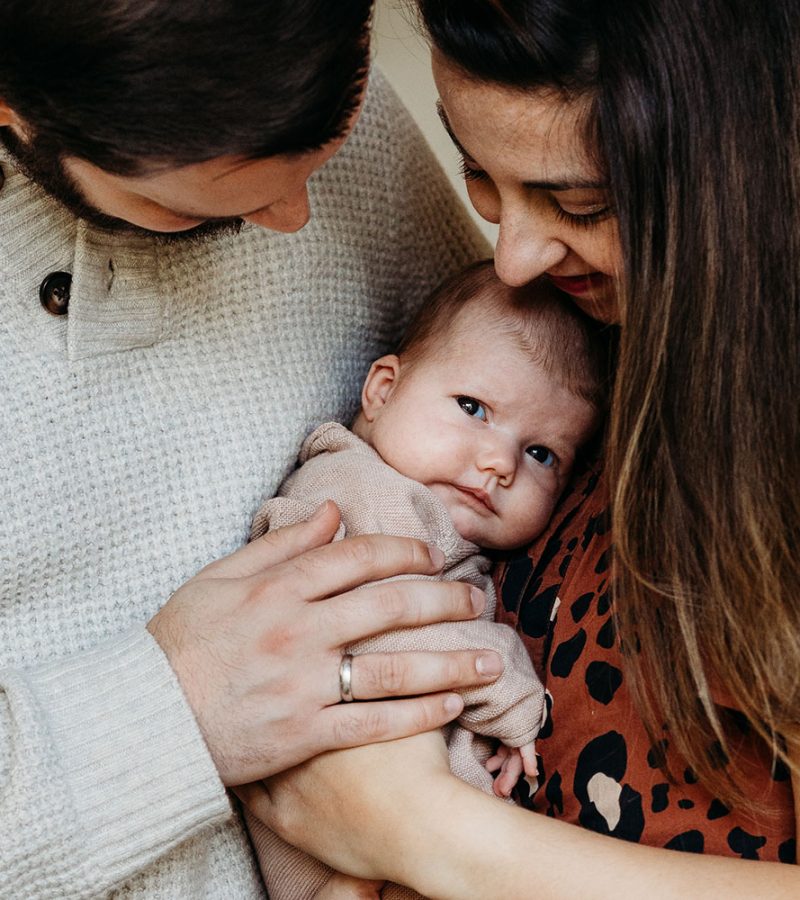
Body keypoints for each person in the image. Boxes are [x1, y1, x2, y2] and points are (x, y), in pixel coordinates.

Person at [238, 0, 800, 896]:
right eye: (480, 175)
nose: (513, 257)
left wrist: (423, 832)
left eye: (580, 202)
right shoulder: (582, 333)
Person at [0, 3, 496, 898]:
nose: (296, 218)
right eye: (188, 204)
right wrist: (169, 710)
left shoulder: (293, 76)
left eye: (330, 148)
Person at [244, 260, 606, 899]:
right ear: (381, 391)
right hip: (339, 836)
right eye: (474, 408)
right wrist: (512, 694)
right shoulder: (359, 491)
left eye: (541, 453)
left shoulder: (436, 520)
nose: (498, 463)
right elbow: (390, 629)